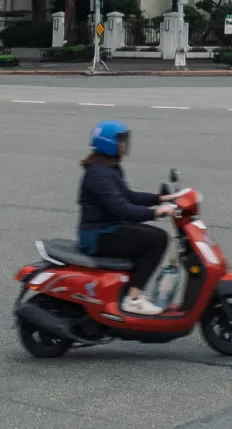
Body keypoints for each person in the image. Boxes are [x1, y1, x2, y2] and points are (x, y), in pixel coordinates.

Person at [76, 121, 174, 316]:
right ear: (109, 144)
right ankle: (134, 298)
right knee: (157, 239)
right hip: (97, 235)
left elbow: (128, 196)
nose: (125, 145)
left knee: (148, 235)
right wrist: (156, 212)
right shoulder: (98, 174)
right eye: (121, 141)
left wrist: (160, 199)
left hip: (108, 228)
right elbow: (122, 208)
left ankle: (128, 291)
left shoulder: (109, 168)